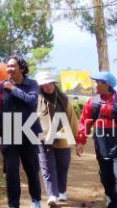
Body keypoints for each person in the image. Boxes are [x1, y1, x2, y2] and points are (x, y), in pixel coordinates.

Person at [0, 55, 43, 208]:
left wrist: (13, 89)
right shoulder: (0, 85)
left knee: (31, 169)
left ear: (21, 68)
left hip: (28, 132)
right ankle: (13, 205)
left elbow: (31, 102)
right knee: (11, 173)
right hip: (9, 131)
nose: (9, 69)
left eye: (12, 66)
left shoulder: (32, 84)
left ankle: (36, 200)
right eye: (8, 66)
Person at [76, 71, 117, 208]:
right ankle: (112, 204)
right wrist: (81, 141)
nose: (94, 85)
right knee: (107, 179)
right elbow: (84, 122)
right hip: (102, 147)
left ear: (107, 85)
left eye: (97, 82)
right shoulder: (92, 102)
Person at [35, 72, 78, 207]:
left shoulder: (64, 99)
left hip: (62, 136)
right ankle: (52, 195)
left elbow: (72, 118)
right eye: (44, 85)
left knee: (62, 165)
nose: (48, 87)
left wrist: (76, 138)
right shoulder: (35, 100)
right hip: (42, 138)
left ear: (54, 83)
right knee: (47, 166)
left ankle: (61, 190)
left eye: (49, 83)